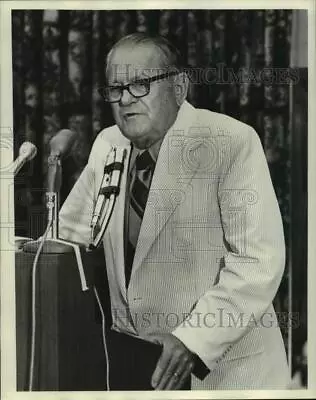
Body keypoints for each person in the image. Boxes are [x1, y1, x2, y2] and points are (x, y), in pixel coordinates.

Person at [59, 33, 290, 390]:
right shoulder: (108, 144)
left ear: (179, 87)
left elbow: (258, 261)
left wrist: (193, 339)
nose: (125, 100)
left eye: (139, 85)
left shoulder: (229, 142)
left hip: (224, 374)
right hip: (136, 365)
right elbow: (65, 240)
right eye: (115, 88)